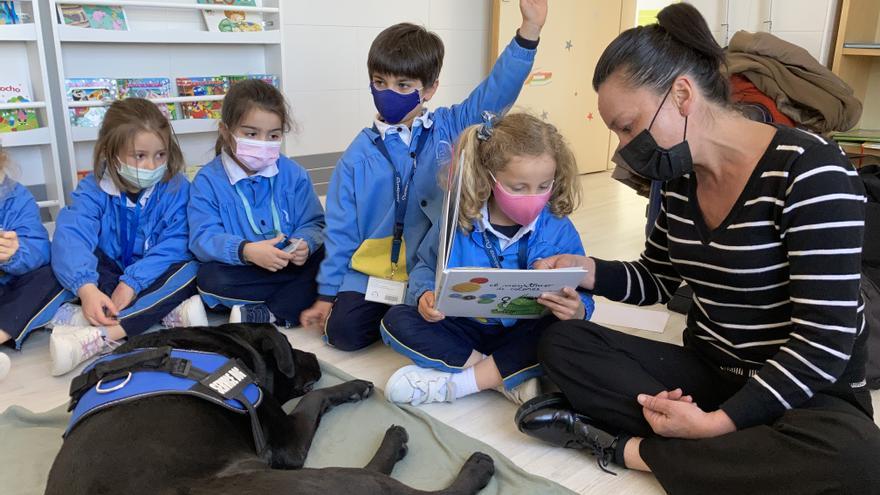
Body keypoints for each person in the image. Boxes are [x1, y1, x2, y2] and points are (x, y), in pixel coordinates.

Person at [515, 4, 880, 494]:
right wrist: (586, 271)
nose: (624, 148)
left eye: (628, 126)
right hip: (712, 369)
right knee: (564, 343)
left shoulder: (812, 171)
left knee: (859, 462)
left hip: (807, 389)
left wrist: (720, 423)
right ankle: (735, 455)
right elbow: (660, 279)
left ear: (681, 94)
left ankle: (630, 450)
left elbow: (824, 341)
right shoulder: (679, 181)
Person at [300, 0, 549, 352]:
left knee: (459, 321)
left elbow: (496, 93)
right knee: (343, 334)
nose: (389, 93)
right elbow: (341, 233)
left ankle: (412, 321)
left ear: (429, 88)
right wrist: (328, 294)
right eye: (379, 82)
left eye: (404, 85)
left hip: (429, 273)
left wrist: (529, 32)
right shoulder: (357, 156)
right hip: (371, 277)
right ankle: (397, 318)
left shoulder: (451, 127)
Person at [382, 113, 593, 406]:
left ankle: (461, 384)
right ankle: (502, 378)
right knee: (396, 320)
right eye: (518, 188)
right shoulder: (458, 218)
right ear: (489, 177)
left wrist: (578, 310)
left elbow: (582, 290)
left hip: (523, 332)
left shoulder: (558, 227)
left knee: (566, 334)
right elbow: (427, 266)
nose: (533, 197)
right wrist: (425, 295)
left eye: (544, 186)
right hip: (465, 327)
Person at [49, 98, 206, 376]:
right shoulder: (92, 189)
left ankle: (102, 336)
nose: (151, 166)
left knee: (194, 268)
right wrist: (87, 289)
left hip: (151, 273)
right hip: (109, 275)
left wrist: (133, 282)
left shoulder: (177, 188)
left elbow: (175, 244)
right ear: (111, 152)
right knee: (62, 263)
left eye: (160, 155)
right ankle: (159, 311)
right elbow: (72, 237)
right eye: (139, 155)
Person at [189, 79, 325, 325]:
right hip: (244, 270)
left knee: (332, 255)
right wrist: (246, 251)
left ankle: (267, 311)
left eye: (273, 135)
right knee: (209, 279)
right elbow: (203, 237)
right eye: (251, 134)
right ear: (225, 131)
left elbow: (314, 222)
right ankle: (290, 303)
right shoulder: (207, 180)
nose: (263, 143)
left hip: (290, 265)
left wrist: (305, 244)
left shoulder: (293, 173)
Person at [0, 146, 73, 380]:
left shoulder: (16, 196)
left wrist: (15, 252)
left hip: (10, 287)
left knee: (55, 272)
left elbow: (39, 247)